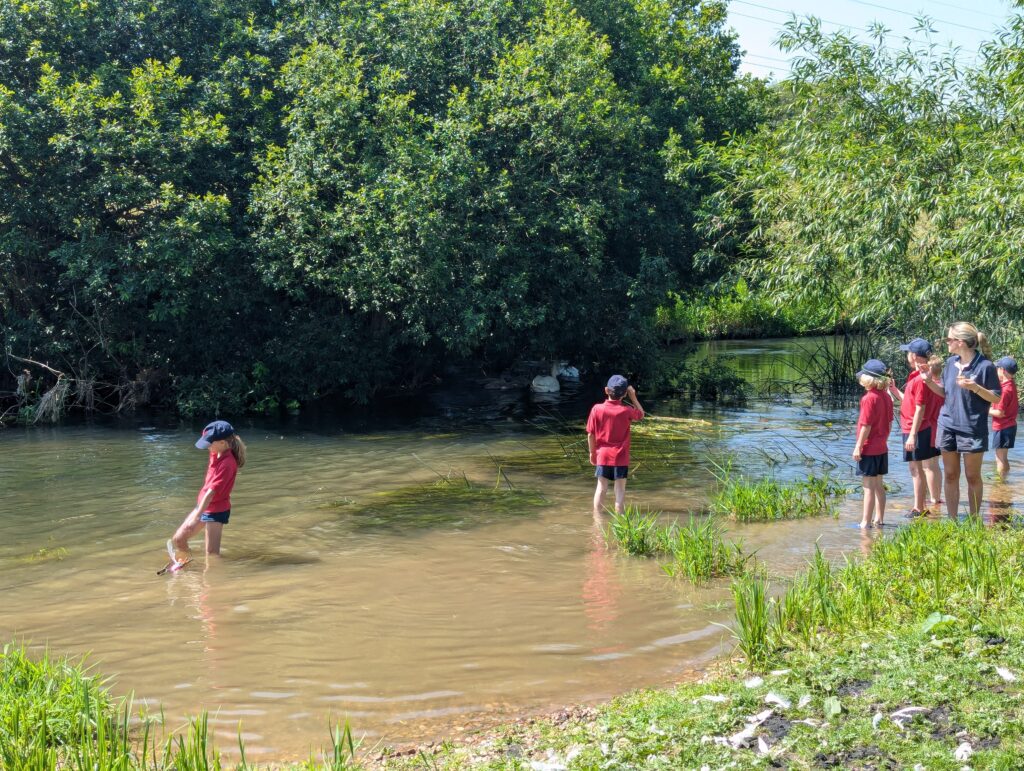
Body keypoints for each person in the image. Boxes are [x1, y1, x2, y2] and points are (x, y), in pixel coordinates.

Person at [923, 322, 1001, 517]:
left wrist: (975, 387)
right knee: (950, 475)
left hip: (973, 427)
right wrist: (929, 381)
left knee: (972, 476)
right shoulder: (950, 363)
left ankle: (974, 522)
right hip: (947, 425)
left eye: (949, 339)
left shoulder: (985, 367)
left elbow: (996, 398)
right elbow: (945, 394)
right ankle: (952, 520)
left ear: (961, 342)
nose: (946, 342)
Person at [168, 420, 246, 566]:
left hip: (216, 510)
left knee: (212, 555)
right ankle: (186, 564)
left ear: (223, 443)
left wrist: (196, 517)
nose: (208, 447)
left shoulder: (227, 463)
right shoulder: (216, 453)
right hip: (204, 506)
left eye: (210, 443)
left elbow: (211, 492)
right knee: (179, 539)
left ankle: (211, 585)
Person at [886, 338, 943, 517]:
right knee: (927, 466)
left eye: (908, 352)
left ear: (915, 356)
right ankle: (933, 501)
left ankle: (919, 507)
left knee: (916, 469)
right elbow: (911, 402)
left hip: (916, 428)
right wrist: (895, 391)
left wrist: (912, 435)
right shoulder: (924, 376)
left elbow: (920, 408)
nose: (906, 356)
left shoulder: (920, 379)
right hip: (924, 426)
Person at [586, 375, 644, 516]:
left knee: (601, 487)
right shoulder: (626, 411)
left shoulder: (596, 409)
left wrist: (592, 453)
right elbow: (641, 414)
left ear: (606, 390)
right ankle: (620, 520)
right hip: (621, 456)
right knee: (619, 490)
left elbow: (590, 435)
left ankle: (597, 520)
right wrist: (633, 397)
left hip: (603, 455)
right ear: (624, 394)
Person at [853, 359, 893, 528]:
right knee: (878, 485)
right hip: (882, 447)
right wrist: (884, 439)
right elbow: (890, 423)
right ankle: (879, 519)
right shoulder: (886, 397)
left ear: (868, 379)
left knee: (868, 487)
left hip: (869, 448)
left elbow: (866, 425)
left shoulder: (869, 398)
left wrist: (858, 447)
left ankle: (865, 522)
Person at [990, 356, 1018, 480]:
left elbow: (999, 413)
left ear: (1002, 370)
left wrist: (985, 409)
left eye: (997, 369)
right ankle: (1005, 478)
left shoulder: (1005, 390)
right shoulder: (1011, 385)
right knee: (1003, 457)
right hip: (1010, 426)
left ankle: (999, 482)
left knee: (999, 458)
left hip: (1002, 427)